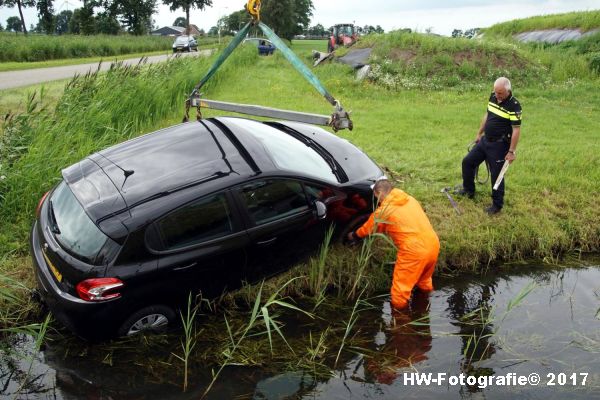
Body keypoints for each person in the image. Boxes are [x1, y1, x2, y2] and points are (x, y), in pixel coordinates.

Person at [347, 179, 440, 309]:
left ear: (379, 192)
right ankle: (425, 307)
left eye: (376, 197)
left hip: (413, 251)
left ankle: (401, 325)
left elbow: (369, 227)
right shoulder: (409, 199)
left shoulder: (385, 210)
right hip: (433, 243)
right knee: (424, 281)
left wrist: (354, 235)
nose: (377, 202)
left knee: (399, 294)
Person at [460, 77, 522, 215]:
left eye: (500, 93)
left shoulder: (514, 106)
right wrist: (479, 133)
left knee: (497, 175)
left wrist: (511, 151)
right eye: (495, 92)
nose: (497, 96)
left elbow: (516, 130)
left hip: (500, 145)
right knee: (468, 162)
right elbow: (487, 114)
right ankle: (468, 191)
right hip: (485, 141)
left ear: (508, 91)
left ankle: (497, 205)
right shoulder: (493, 97)